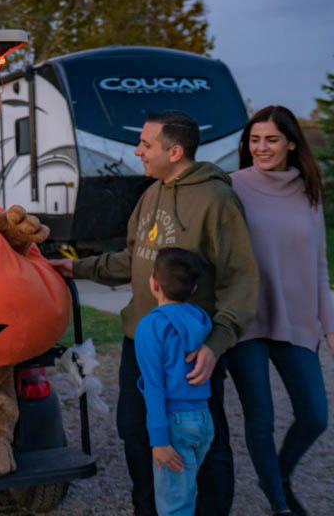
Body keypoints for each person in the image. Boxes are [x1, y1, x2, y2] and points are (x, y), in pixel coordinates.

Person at [51, 110, 259, 516]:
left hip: (191, 351)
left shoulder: (217, 200)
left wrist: (216, 344)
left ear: (175, 150)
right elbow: (133, 258)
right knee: (135, 430)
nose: (138, 151)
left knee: (205, 438)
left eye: (146, 145)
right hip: (140, 339)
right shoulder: (152, 193)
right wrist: (74, 268)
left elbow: (243, 278)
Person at [227, 106, 333, 516]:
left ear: (291, 142)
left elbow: (319, 262)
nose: (261, 147)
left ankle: (279, 476)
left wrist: (330, 325)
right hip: (247, 318)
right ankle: (279, 503)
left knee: (314, 415)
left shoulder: (310, 188)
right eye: (254, 140)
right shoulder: (232, 186)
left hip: (298, 320)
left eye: (271, 139)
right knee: (261, 420)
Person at [135, 247, 213, 516]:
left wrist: (159, 441)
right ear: (193, 290)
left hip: (174, 424)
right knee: (185, 494)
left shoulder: (150, 327)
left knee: (174, 506)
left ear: (154, 284)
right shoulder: (200, 319)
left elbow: (154, 387)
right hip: (203, 420)